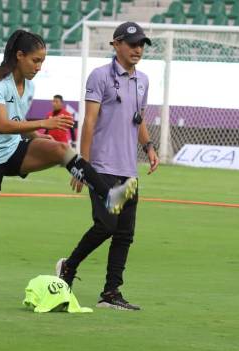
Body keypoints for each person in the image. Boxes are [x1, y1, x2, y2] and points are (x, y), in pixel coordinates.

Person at [0, 29, 139, 312]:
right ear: (19, 56)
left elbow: (18, 125)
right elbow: (3, 125)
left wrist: (39, 138)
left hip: (13, 152)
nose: (39, 67)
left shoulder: (29, 86)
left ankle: (108, 195)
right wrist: (44, 125)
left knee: (60, 150)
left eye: (42, 61)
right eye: (35, 60)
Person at [56, 22, 159, 311]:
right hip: (101, 167)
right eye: (132, 44)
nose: (138, 49)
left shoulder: (143, 80)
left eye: (141, 44)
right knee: (106, 225)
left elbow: (138, 119)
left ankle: (111, 292)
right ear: (116, 44)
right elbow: (89, 121)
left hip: (128, 169)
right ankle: (69, 265)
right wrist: (82, 166)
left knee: (124, 233)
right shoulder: (99, 76)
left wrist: (149, 146)